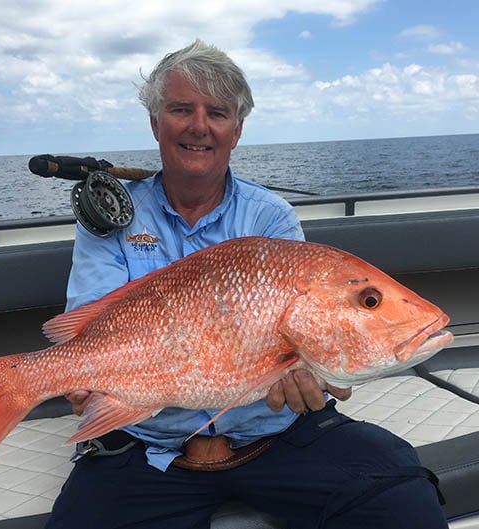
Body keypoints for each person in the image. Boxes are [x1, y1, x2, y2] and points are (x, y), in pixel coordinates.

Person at [46, 40, 447, 529]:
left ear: (236, 131)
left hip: (275, 440)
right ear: (156, 123)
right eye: (180, 109)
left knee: (404, 505)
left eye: (217, 113)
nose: (199, 126)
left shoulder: (269, 215)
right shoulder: (111, 215)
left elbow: (298, 350)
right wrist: (83, 386)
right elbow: (86, 334)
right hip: (146, 448)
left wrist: (310, 377)